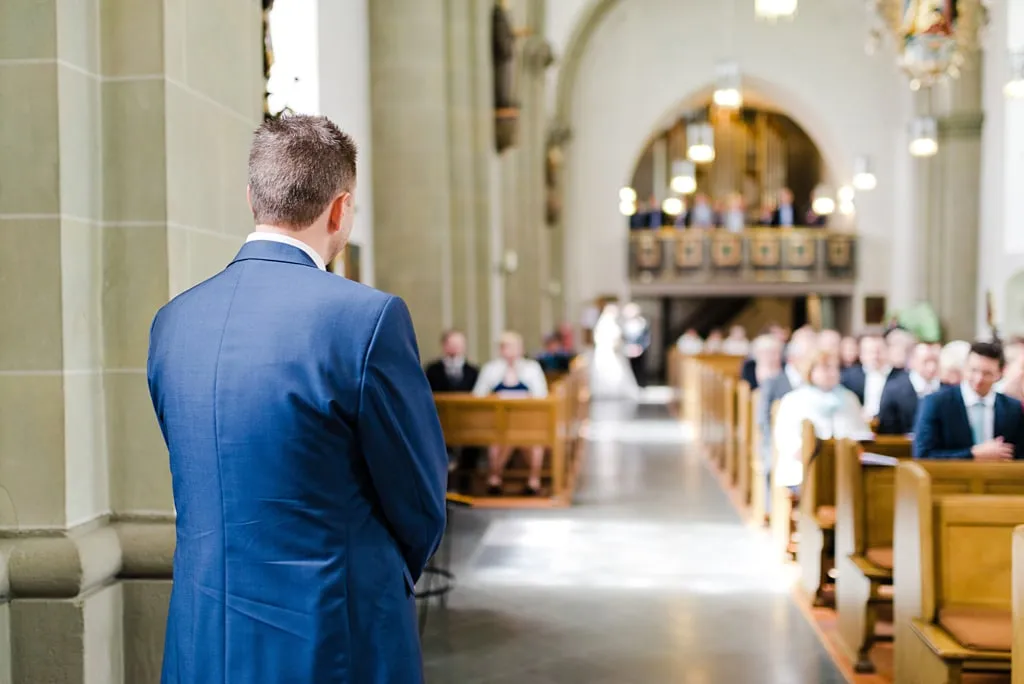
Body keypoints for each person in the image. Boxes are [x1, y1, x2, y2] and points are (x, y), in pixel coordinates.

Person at [147, 116, 448, 683]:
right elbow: (421, 495)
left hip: (205, 632)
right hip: (332, 630)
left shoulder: (174, 322)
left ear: (251, 199)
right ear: (340, 209)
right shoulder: (366, 319)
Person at [772, 349, 871, 490]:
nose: (831, 372)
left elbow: (863, 435)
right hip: (804, 470)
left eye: (835, 367)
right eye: (825, 367)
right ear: (810, 371)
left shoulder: (849, 398)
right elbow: (786, 440)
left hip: (845, 469)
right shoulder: (794, 400)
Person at [914, 342, 1024, 460]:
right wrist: (973, 454)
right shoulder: (936, 403)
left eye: (987, 373)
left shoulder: (1013, 408)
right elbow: (923, 455)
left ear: (999, 373)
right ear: (965, 367)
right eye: (973, 370)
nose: (978, 379)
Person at [473, 331, 549, 494]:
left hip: (527, 419)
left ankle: (533, 480)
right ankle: (495, 478)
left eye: (514, 347)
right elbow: (478, 395)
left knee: (533, 439)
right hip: (498, 421)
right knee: (500, 440)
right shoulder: (491, 368)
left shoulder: (531, 368)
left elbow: (541, 395)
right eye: (506, 347)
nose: (511, 351)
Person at [876, 342, 940, 435]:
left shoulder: (944, 389)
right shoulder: (894, 390)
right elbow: (886, 429)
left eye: (935, 361)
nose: (932, 367)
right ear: (912, 361)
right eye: (926, 361)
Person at [589, 304, 641, 400]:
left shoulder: (609, 323)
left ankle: (613, 391)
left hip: (613, 351)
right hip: (607, 351)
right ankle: (605, 391)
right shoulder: (605, 323)